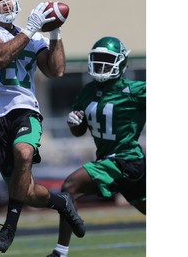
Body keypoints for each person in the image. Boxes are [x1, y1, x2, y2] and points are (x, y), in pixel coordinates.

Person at [0, 0, 85, 254]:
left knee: (24, 153)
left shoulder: (32, 34)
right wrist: (31, 29)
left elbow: (55, 71)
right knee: (28, 192)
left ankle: (9, 227)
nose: (6, 3)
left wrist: (54, 34)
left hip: (25, 109)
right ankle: (62, 203)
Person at [47, 36, 146, 257]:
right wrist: (74, 123)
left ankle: (60, 252)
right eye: (98, 59)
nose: (101, 65)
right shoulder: (87, 91)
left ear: (120, 62)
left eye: (107, 60)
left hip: (127, 160)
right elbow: (78, 131)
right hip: (109, 161)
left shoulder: (135, 90)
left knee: (70, 186)